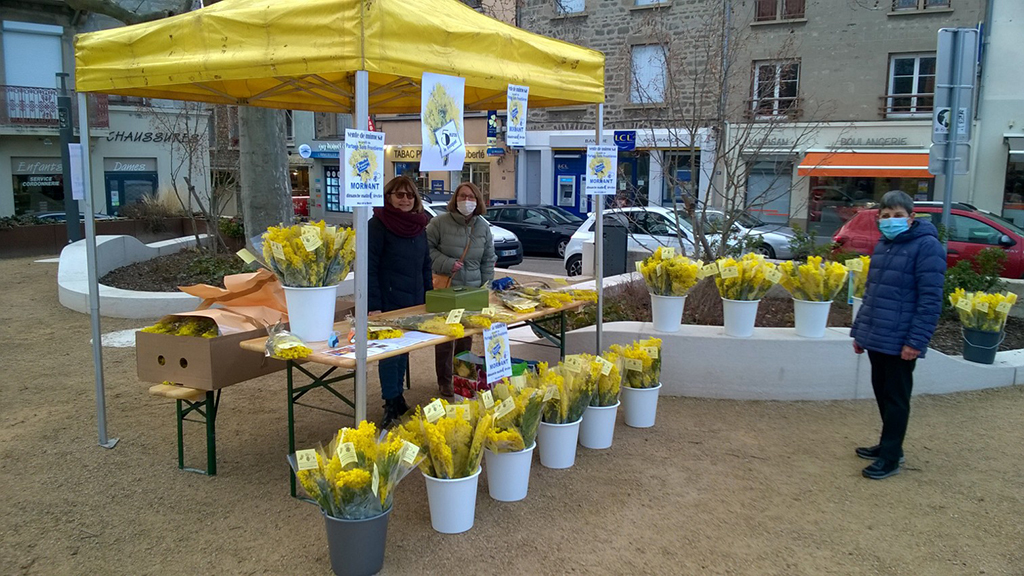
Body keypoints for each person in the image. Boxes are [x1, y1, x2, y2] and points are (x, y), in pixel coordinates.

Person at [850, 190, 946, 480]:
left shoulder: (927, 247)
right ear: (879, 218)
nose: (891, 220)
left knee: (896, 398)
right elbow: (873, 293)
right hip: (878, 335)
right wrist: (860, 333)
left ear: (911, 217)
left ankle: (891, 458)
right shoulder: (885, 244)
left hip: (901, 339)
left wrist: (915, 341)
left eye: (898, 215)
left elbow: (930, 299)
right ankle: (888, 445)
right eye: (886, 216)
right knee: (883, 392)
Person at [367, 176, 432, 427]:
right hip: (388, 300)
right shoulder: (378, 225)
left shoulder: (419, 226)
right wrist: (374, 305)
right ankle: (390, 401)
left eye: (409, 195)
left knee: (404, 350)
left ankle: (399, 396)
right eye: (399, 195)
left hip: (413, 300)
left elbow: (425, 266)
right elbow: (370, 267)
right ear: (388, 197)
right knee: (389, 353)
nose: (405, 199)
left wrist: (428, 299)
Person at [426, 182, 496, 398]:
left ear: (478, 201)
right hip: (447, 290)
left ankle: (461, 377)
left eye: (472, 197)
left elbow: (488, 259)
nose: (467, 200)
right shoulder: (438, 223)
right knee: (446, 338)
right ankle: (445, 381)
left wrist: (486, 288)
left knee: (466, 337)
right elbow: (425, 250)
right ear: (455, 199)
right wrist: (446, 263)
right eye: (463, 196)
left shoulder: (482, 226)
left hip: (472, 292)